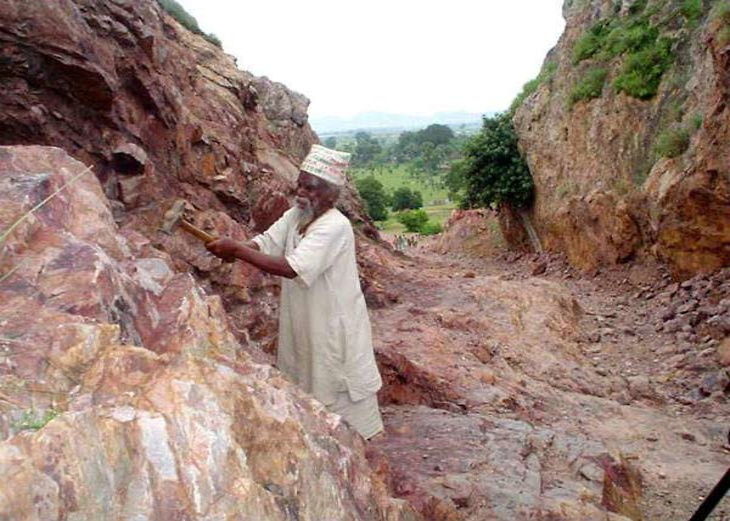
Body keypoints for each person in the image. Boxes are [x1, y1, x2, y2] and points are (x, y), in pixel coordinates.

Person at [206, 145, 384, 440]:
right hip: (304, 324)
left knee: (342, 398)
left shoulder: (335, 226)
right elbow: (265, 243)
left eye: (310, 187)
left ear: (331, 193)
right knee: (308, 387)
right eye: (299, 184)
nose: (301, 192)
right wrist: (235, 250)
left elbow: (291, 267)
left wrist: (235, 249)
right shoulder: (296, 215)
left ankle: (359, 458)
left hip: (332, 329)